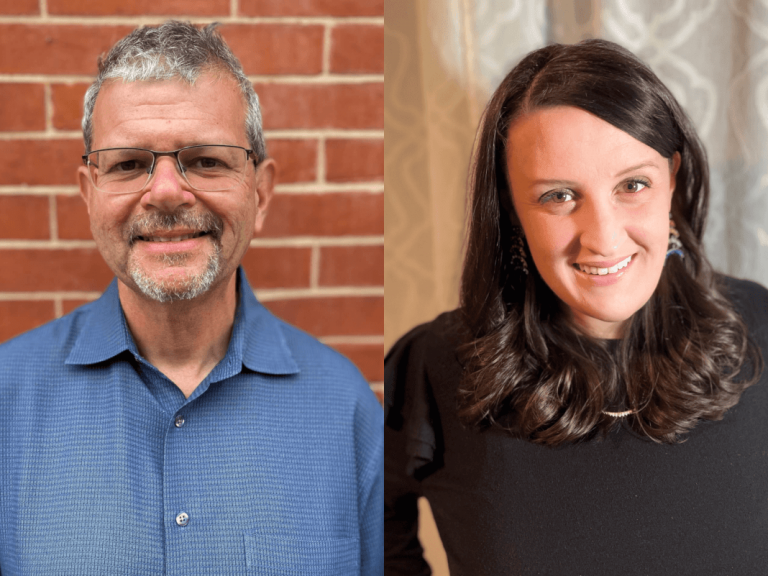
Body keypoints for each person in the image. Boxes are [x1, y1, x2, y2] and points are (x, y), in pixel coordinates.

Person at [0, 21, 382, 575]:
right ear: (89, 194)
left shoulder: (345, 409)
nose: (166, 192)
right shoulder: (7, 399)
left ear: (261, 192)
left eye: (206, 160)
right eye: (129, 163)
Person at [384, 39, 768, 575]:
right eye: (558, 196)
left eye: (633, 185)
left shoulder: (762, 329)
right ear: (512, 208)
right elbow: (369, 526)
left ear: (673, 179)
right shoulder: (435, 366)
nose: (604, 239)